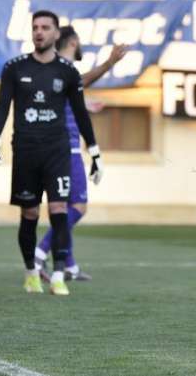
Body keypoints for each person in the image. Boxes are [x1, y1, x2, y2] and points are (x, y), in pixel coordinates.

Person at [0, 10, 103, 296]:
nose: (39, 31)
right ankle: (31, 271)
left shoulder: (68, 72)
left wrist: (95, 151)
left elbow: (80, 113)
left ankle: (59, 274)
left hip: (57, 150)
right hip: (26, 149)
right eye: (35, 27)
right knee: (30, 212)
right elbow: (2, 107)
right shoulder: (15, 68)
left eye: (45, 27)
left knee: (59, 208)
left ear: (56, 33)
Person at [34, 26, 127, 282]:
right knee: (78, 207)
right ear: (73, 42)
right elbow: (78, 82)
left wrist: (83, 104)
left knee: (64, 208)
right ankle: (40, 252)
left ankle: (70, 266)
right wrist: (109, 62)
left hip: (56, 147)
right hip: (67, 149)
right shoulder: (63, 67)